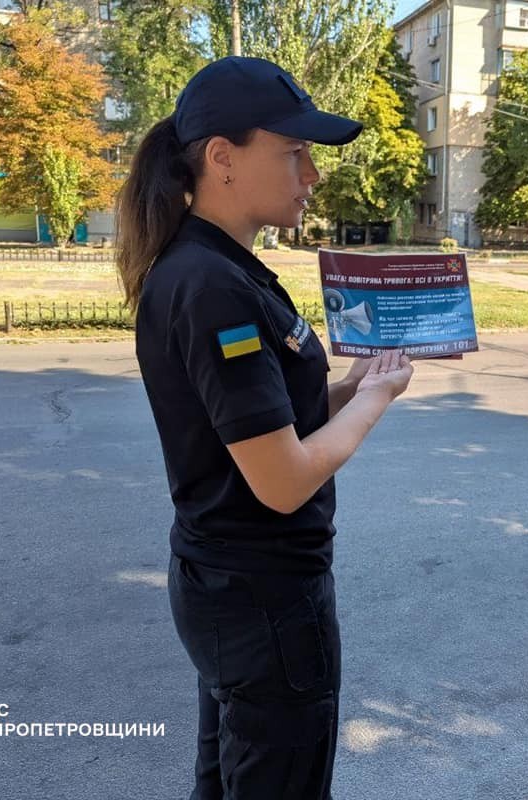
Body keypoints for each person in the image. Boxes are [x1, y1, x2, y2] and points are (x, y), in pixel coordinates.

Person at [115, 57, 413, 800]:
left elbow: (267, 420)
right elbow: (281, 481)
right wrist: (378, 402)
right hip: (265, 599)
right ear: (222, 158)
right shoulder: (214, 286)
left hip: (233, 587)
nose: (311, 173)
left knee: (228, 782)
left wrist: (348, 389)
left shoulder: (219, 268)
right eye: (294, 152)